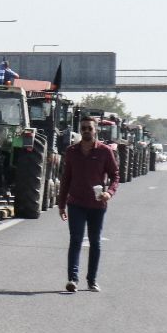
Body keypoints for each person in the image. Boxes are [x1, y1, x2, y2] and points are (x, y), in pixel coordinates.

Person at [57, 116, 119, 292]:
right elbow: (66, 178)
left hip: (97, 205)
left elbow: (115, 175)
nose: (86, 131)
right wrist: (61, 204)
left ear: (95, 130)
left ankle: (91, 280)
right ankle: (72, 279)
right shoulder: (71, 151)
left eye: (89, 128)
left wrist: (109, 193)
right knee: (75, 240)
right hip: (75, 203)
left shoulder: (105, 151)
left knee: (95, 242)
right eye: (83, 128)